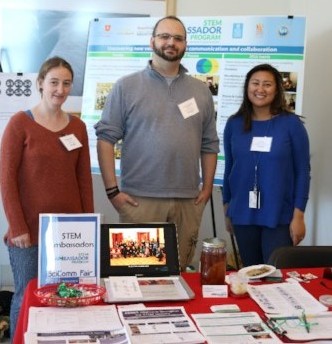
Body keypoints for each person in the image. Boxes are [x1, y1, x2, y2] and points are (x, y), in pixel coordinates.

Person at [95, 16, 219, 271]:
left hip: (188, 200)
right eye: (164, 36)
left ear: (185, 45)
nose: (170, 42)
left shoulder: (200, 91)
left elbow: (209, 144)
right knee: (137, 275)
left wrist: (206, 187)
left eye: (178, 38)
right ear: (152, 41)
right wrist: (112, 191)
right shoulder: (126, 87)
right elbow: (106, 139)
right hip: (140, 201)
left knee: (180, 272)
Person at [0, 56, 94, 339]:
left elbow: (83, 181)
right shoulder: (20, 124)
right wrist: (17, 227)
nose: (60, 89)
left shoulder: (77, 128)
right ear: (40, 83)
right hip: (28, 232)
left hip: (69, 234)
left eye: (66, 83)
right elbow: (7, 180)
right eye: (54, 82)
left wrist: (88, 226)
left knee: (66, 296)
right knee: (26, 295)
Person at [222, 63, 310, 267]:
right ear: (247, 87)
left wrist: (299, 216)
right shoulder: (234, 124)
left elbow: (303, 172)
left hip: (280, 215)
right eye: (255, 83)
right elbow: (229, 168)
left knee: (275, 277)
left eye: (267, 84)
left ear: (277, 89)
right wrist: (227, 208)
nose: (260, 89)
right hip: (242, 214)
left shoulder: (291, 124)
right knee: (250, 274)